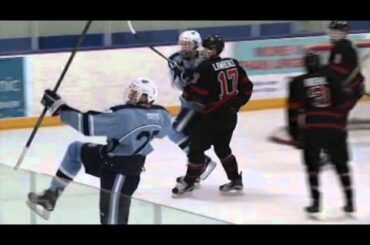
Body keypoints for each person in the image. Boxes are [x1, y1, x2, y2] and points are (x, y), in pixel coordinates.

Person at [27, 77, 171, 224]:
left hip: (120, 174)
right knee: (76, 150)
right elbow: (163, 132)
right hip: (112, 159)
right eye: (132, 92)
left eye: (136, 93)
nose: (131, 95)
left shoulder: (124, 115)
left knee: (112, 220)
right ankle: (50, 197)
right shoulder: (162, 115)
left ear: (147, 97)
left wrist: (59, 108)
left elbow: (87, 124)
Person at [172, 34, 254, 195]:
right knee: (223, 148)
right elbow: (247, 86)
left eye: (208, 48)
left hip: (211, 116)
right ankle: (236, 179)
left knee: (195, 148)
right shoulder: (233, 63)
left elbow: (199, 94)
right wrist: (236, 103)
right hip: (230, 116)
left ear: (216, 50)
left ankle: (189, 182)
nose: (204, 50)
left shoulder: (205, 67)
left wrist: (186, 83)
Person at [289, 52, 356, 215]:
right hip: (335, 126)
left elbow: (293, 112)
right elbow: (346, 100)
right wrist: (340, 121)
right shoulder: (333, 77)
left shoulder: (297, 82)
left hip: (313, 127)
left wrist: (296, 135)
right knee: (342, 165)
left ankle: (315, 203)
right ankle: (350, 202)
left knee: (312, 166)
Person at [167, 30, 217, 185]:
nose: (184, 47)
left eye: (188, 44)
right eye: (182, 43)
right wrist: (182, 77)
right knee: (185, 137)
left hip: (203, 105)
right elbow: (176, 85)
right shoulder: (175, 59)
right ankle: (196, 170)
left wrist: (195, 77)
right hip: (190, 103)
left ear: (196, 45)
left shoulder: (206, 58)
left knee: (175, 132)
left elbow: (213, 82)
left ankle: (201, 163)